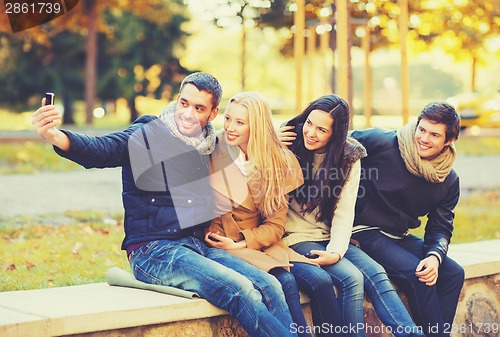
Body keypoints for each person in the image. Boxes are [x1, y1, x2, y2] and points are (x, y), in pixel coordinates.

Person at [31, 72, 298, 337]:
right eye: (184, 103)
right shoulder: (148, 134)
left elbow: (243, 130)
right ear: (177, 99)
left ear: (213, 113)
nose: (188, 114)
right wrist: (56, 136)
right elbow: (103, 149)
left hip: (195, 245)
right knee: (239, 289)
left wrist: (270, 132)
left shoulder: (206, 144)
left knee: (270, 285)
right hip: (153, 250)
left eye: (199, 108)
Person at [278, 94, 425, 337]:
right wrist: (273, 140)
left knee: (376, 273)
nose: (311, 132)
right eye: (309, 123)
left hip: (328, 235)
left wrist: (335, 251)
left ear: (335, 135)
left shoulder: (348, 157)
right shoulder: (288, 141)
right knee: (351, 278)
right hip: (293, 235)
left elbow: (344, 211)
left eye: (322, 129)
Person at [204, 91, 343, 337]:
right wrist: (225, 242)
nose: (230, 128)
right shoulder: (215, 151)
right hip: (220, 242)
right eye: (228, 119)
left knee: (319, 281)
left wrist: (242, 242)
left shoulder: (277, 161)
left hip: (257, 241)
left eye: (240, 122)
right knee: (285, 281)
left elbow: (276, 225)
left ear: (255, 126)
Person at [350, 102, 465, 337]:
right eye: (421, 129)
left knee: (453, 273)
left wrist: (435, 256)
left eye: (434, 135)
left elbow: (441, 227)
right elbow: (334, 136)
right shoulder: (383, 142)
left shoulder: (448, 180)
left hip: (398, 235)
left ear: (449, 141)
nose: (423, 138)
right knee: (417, 275)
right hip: (362, 230)